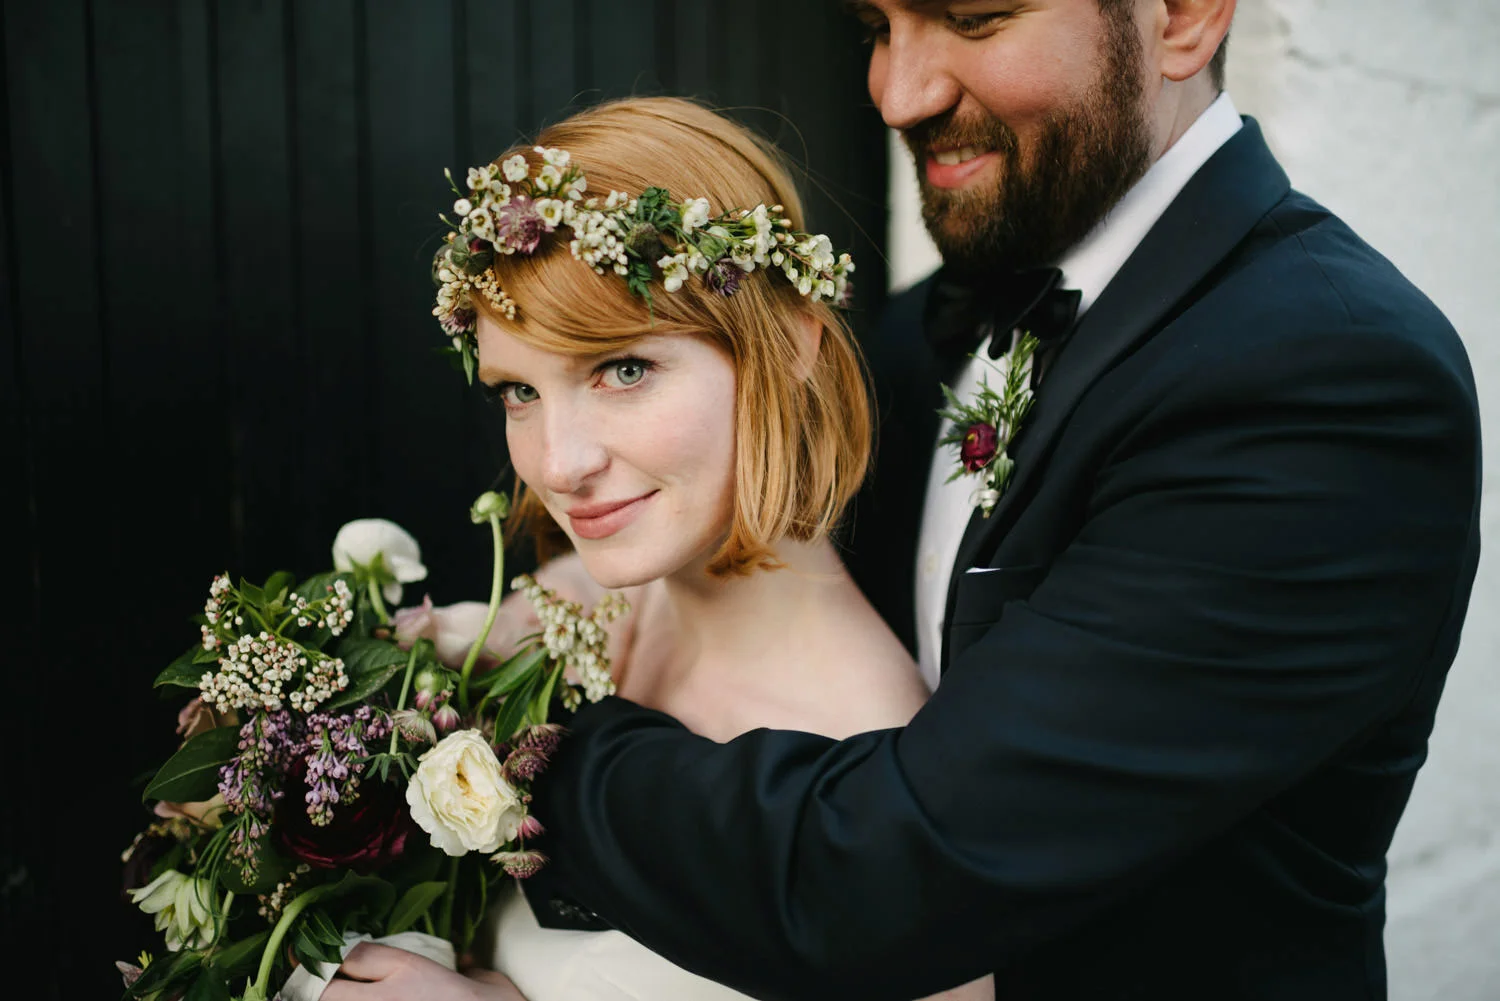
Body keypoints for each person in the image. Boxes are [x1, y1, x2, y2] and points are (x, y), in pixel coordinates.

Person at [499, 1, 1476, 999]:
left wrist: (514, 760)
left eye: (972, 18)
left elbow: (892, 869)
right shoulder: (912, 335)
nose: (896, 93)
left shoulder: (1330, 378)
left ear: (1181, 18)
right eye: (877, 27)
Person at [318, 97, 993, 1001]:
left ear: (790, 345)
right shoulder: (556, 618)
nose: (560, 464)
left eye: (623, 369)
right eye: (519, 391)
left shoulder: (868, 782)